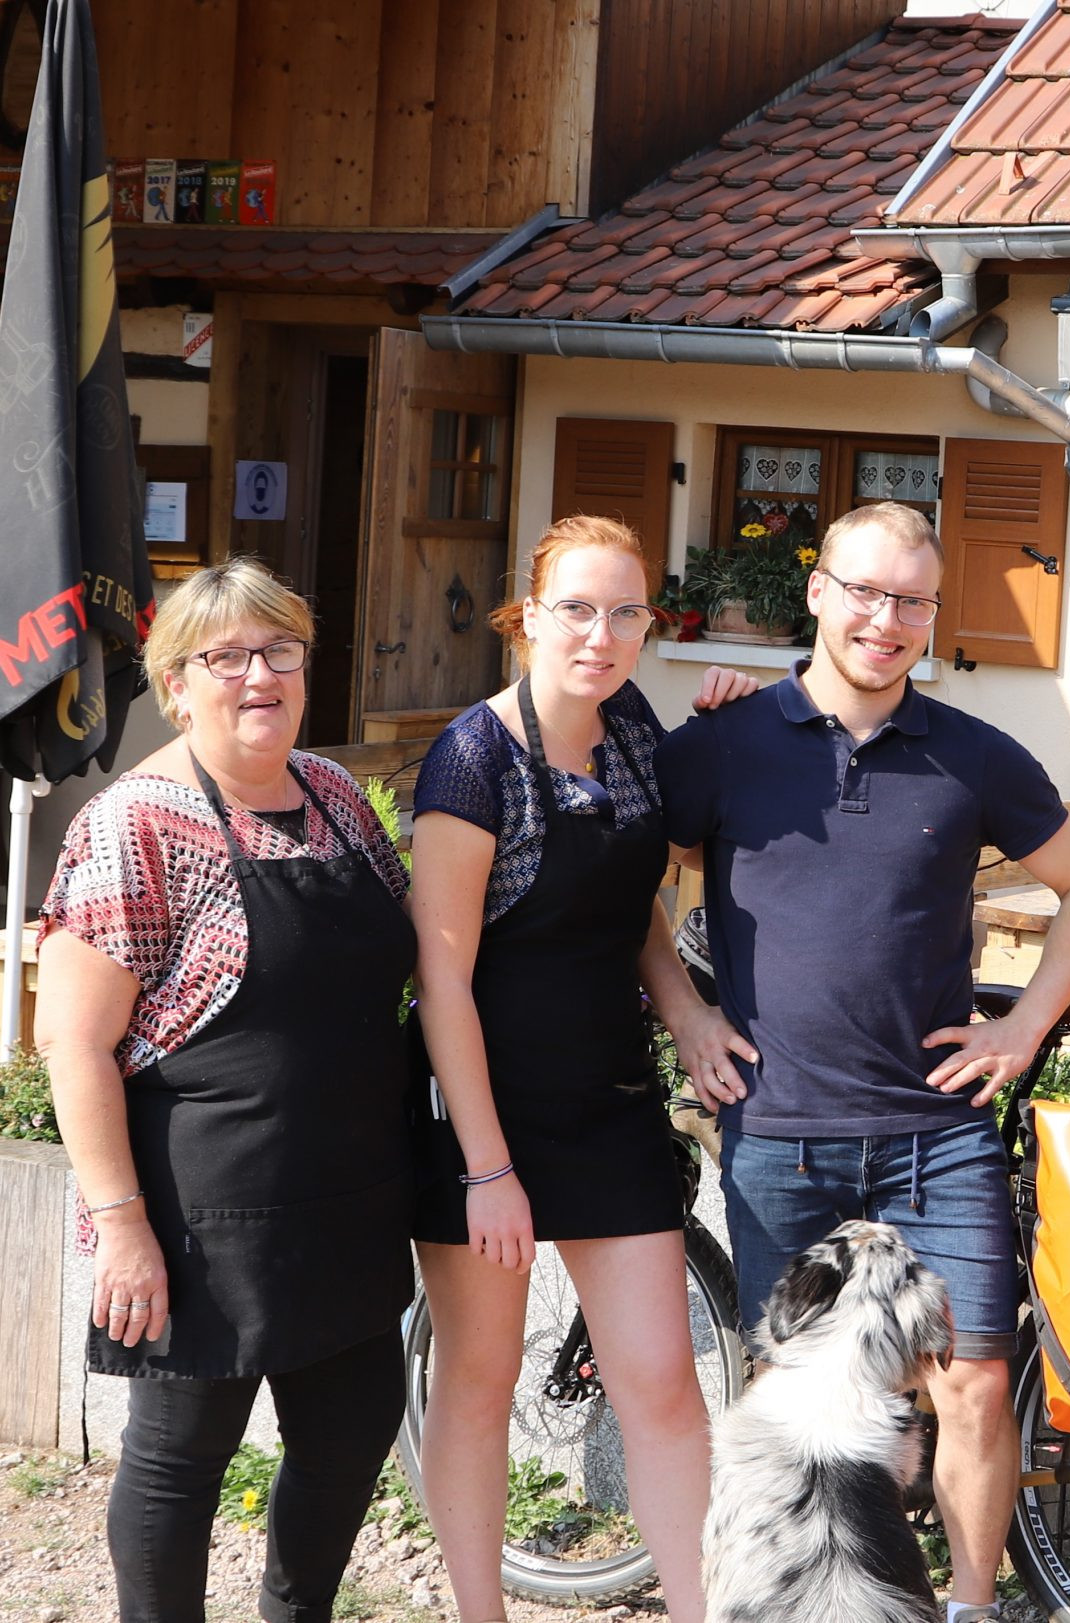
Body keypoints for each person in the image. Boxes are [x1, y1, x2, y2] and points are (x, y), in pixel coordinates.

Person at [654, 500, 1070, 1623]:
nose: (885, 619)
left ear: (929, 616)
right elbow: (639, 896)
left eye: (910, 600)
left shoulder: (972, 755)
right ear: (816, 592)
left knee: (971, 1383)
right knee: (790, 1397)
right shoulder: (720, 745)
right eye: (864, 591)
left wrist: (1020, 1031)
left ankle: (964, 1608)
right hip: (781, 1133)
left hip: (939, 1135)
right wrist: (684, 1014)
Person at [36, 558, 416, 1623]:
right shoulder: (134, 825)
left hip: (349, 1193)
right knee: (179, 1457)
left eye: (281, 650)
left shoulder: (335, 797)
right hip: (204, 1208)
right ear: (177, 681)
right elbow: (71, 1042)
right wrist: (119, 1225)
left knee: (352, 1431)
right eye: (229, 657)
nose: (261, 676)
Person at [407, 514, 754, 1623]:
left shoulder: (634, 729)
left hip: (606, 1099)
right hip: (482, 1112)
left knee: (661, 1380)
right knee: (479, 1380)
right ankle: (480, 1614)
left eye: (624, 613)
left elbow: (635, 901)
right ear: (527, 617)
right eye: (575, 609)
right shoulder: (471, 759)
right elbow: (442, 981)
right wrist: (486, 1169)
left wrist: (688, 1010)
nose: (599, 636)